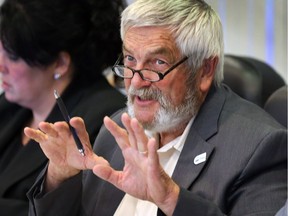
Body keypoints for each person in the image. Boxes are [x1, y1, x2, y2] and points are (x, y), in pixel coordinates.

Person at [24, 0, 287, 215]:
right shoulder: (117, 130)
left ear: (205, 70)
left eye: (157, 63)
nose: (136, 81)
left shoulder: (260, 148)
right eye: (130, 59)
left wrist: (172, 198)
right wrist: (60, 178)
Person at [0, 0, 126, 215]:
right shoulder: (10, 105)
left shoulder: (104, 120)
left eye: (13, 56)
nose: (1, 66)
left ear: (60, 64)